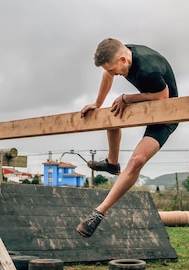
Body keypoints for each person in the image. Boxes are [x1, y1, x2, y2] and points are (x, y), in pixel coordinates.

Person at [76, 38, 178, 238]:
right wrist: (97, 103)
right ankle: (112, 163)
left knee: (137, 160)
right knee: (111, 112)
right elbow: (107, 73)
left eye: (115, 70)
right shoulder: (122, 56)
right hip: (149, 104)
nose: (115, 75)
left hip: (168, 112)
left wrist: (127, 98)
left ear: (123, 59)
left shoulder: (148, 69)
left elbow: (163, 97)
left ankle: (98, 213)